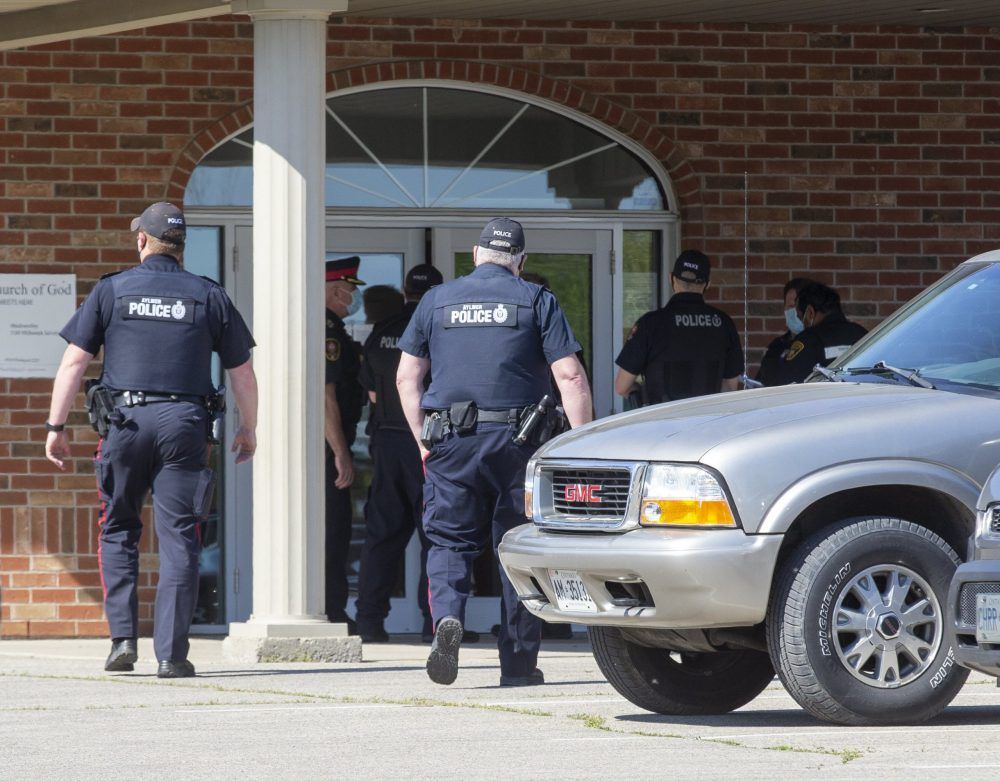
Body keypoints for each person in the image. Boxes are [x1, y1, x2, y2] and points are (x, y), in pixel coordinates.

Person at [44, 202, 257, 679]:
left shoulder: (111, 289)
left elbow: (74, 363)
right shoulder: (208, 295)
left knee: (119, 527)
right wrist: (249, 427)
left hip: (126, 424)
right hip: (185, 424)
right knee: (180, 537)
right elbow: (241, 370)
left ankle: (122, 642)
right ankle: (171, 655)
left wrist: (55, 428)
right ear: (181, 247)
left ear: (142, 241)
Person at [396, 217, 593, 687]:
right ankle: (519, 664)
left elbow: (407, 377)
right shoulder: (535, 299)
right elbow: (570, 377)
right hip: (519, 445)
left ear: (475, 253)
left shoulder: (435, 301)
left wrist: (424, 438)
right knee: (518, 547)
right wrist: (581, 450)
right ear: (520, 262)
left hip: (452, 442)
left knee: (448, 541)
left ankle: (447, 618)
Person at [354, 265, 443, 644]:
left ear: (405, 291)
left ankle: (370, 623)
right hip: (429, 444)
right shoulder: (439, 331)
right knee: (437, 535)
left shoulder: (382, 333)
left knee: (382, 535)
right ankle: (435, 624)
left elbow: (372, 394)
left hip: (388, 442)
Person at [614, 249, 744, 405]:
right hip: (707, 422)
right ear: (708, 284)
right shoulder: (724, 323)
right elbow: (730, 387)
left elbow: (622, 387)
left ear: (671, 279)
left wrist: (641, 391)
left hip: (662, 424)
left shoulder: (650, 323)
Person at [324, 256, 366, 629]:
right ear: (337, 290)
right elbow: (326, 397)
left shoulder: (330, 326)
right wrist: (340, 453)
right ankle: (332, 611)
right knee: (332, 530)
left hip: (329, 445)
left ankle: (333, 608)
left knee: (335, 530)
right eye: (349, 291)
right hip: (325, 450)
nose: (351, 299)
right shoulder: (327, 330)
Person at [774, 280, 868, 385]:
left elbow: (785, 381)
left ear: (810, 313)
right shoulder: (863, 335)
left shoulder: (808, 340)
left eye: (800, 318)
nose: (802, 323)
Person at [756, 277, 813, 387]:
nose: (795, 312)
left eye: (799, 306)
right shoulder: (777, 346)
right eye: (790, 306)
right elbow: (762, 382)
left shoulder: (820, 343)